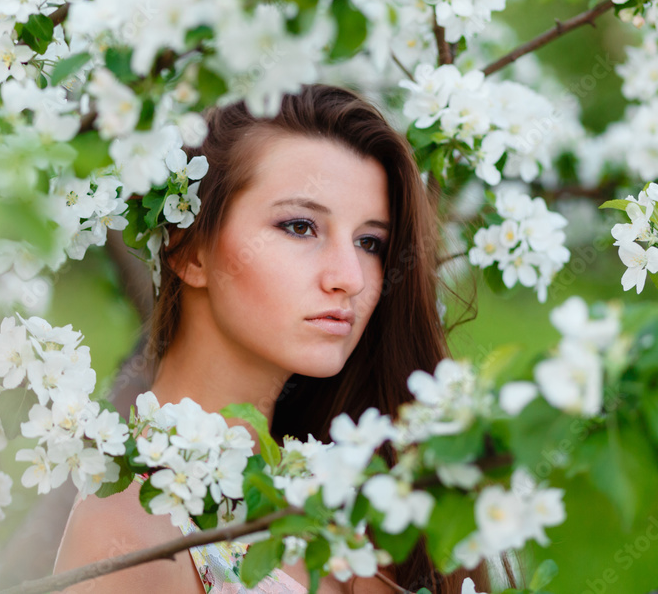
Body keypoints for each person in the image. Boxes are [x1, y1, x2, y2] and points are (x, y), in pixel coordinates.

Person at [52, 84, 492, 593]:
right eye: (300, 226)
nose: (349, 276)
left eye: (370, 242)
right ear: (188, 250)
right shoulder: (130, 532)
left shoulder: (363, 504)